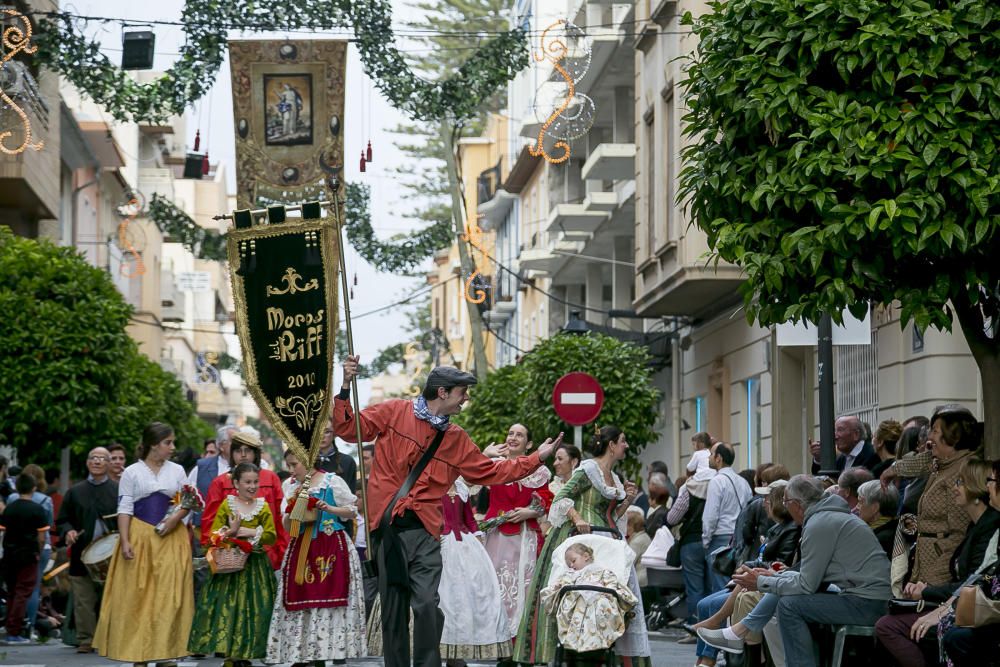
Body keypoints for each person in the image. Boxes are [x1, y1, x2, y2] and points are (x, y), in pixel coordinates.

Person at [332, 358, 562, 667]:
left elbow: (490, 471)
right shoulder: (394, 412)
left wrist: (536, 457)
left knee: (427, 604)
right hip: (387, 529)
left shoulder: (456, 438)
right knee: (393, 609)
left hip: (426, 533)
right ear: (442, 392)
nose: (466, 399)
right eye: (462, 393)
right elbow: (348, 429)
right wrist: (346, 386)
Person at [697, 475, 891, 667]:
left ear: (797, 504)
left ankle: (743, 633)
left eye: (785, 501)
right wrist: (774, 577)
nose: (785, 506)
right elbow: (811, 576)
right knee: (785, 584)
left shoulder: (820, 524)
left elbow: (807, 585)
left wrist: (761, 582)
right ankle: (740, 631)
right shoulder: (829, 517)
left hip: (868, 603)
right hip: (865, 597)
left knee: (789, 605)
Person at [514, 425, 650, 667]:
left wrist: (627, 499)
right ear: (611, 445)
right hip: (579, 538)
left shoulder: (614, 477)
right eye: (623, 441)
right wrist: (577, 518)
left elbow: (614, 515)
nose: (626, 446)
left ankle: (603, 645)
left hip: (605, 540)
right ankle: (566, 648)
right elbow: (562, 496)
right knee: (573, 590)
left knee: (609, 593)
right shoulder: (588, 469)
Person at [875, 458, 1000, 667]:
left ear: (976, 491)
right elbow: (976, 577)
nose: (955, 488)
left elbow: (978, 579)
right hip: (971, 605)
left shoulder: (990, 526)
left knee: (891, 626)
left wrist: (933, 599)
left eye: (960, 482)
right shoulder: (977, 526)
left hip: (982, 610)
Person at [93, 422, 201, 663]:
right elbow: (124, 508)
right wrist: (125, 540)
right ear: (154, 445)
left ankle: (167, 653)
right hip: (140, 535)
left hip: (172, 537)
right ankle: (138, 653)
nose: (172, 447)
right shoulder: (132, 471)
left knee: (169, 596)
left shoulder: (177, 470)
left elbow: (188, 502)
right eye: (168, 442)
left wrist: (174, 520)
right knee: (138, 597)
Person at [690, 481, 799, 667]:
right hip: (764, 580)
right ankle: (703, 658)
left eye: (767, 498)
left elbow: (783, 563)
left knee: (733, 600)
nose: (764, 503)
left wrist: (752, 566)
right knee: (704, 603)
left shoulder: (790, 529)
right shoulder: (776, 528)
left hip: (771, 582)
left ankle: (711, 654)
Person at [267, 460, 365, 665]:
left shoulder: (332, 481)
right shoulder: (290, 486)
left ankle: (324, 653)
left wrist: (328, 507)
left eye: (294, 464)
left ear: (307, 462)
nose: (291, 470)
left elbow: (351, 512)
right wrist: (293, 512)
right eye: (288, 464)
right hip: (301, 547)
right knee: (300, 596)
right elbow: (286, 526)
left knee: (330, 598)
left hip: (331, 545)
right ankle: (301, 654)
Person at [882, 404, 981, 588]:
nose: (929, 437)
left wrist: (930, 582)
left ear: (954, 435)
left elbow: (958, 536)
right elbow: (922, 461)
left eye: (935, 431)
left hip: (940, 575)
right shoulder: (943, 463)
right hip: (924, 566)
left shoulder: (963, 470)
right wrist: (893, 469)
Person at [189, 463, 277, 664]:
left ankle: (247, 652)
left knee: (253, 609)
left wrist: (250, 532)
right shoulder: (227, 505)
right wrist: (231, 531)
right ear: (236, 483)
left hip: (255, 566)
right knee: (230, 608)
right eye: (247, 482)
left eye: (256, 481)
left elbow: (271, 536)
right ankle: (230, 654)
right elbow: (214, 536)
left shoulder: (263, 506)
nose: (252, 486)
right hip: (230, 566)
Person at [482, 423, 554, 640]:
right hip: (495, 537)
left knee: (523, 589)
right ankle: (498, 644)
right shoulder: (492, 465)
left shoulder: (539, 471)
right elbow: (467, 480)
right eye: (511, 433)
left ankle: (520, 643)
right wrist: (484, 454)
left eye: (520, 435)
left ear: (529, 444)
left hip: (524, 537)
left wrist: (529, 512)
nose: (513, 437)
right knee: (494, 587)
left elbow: (546, 499)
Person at [55, 447, 118, 653]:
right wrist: (69, 531)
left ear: (109, 464)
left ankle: (109, 637)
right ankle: (86, 639)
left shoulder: (117, 490)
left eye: (102, 458)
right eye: (93, 458)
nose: (97, 461)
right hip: (82, 554)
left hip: (112, 555)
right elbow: (62, 520)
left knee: (110, 599)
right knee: (83, 600)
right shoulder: (75, 491)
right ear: (87, 463)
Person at [202, 430, 288, 570]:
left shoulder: (271, 478)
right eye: (237, 450)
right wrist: (212, 551)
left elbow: (280, 519)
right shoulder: (220, 482)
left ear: (255, 453)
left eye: (247, 450)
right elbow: (210, 522)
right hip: (230, 554)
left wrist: (281, 552)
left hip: (265, 553)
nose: (242, 455)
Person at [540, 542, 638, 654]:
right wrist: (558, 587)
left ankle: (598, 637)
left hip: (600, 599)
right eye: (569, 564)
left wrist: (604, 592)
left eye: (573, 561)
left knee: (603, 603)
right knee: (574, 600)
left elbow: (613, 586)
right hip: (577, 601)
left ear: (586, 556)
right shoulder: (570, 575)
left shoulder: (604, 572)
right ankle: (577, 638)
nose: (571, 566)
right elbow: (558, 586)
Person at [1, 472, 50, 645]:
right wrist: (38, 550)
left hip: (9, 555)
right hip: (28, 555)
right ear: (34, 488)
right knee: (24, 592)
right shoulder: (38, 510)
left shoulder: (10, 508)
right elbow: (42, 537)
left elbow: (3, 529)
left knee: (12, 591)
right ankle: (15, 630)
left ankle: (9, 627)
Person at [666, 465, 716, 627]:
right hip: (715, 542)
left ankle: (695, 625)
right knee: (712, 587)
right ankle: (711, 626)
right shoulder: (720, 487)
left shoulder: (689, 490)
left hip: (691, 543)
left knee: (695, 588)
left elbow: (672, 518)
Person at [702, 442, 753, 593]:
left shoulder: (717, 481)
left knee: (720, 587)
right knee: (733, 585)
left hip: (719, 538)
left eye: (711, 454)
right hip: (739, 537)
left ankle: (721, 616)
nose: (709, 458)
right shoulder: (743, 482)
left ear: (719, 458)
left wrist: (706, 539)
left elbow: (710, 515)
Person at [810, 415, 880, 474]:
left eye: (840, 430)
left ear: (856, 434)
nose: (835, 436)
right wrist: (818, 458)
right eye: (834, 430)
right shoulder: (842, 458)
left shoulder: (873, 455)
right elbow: (825, 478)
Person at [855, 479, 899, 557]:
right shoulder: (895, 529)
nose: (856, 507)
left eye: (860, 502)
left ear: (874, 508)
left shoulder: (880, 541)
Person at [317, 422, 358, 493]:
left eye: (326, 432)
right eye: (317, 432)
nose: (321, 436)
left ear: (334, 434)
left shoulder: (347, 461)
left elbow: (351, 495)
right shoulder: (305, 461)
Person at [626, 507, 651, 588]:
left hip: (639, 581)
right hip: (647, 578)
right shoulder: (644, 536)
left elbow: (627, 563)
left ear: (631, 526)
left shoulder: (637, 541)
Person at [644, 472, 672, 538]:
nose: (649, 486)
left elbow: (653, 530)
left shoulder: (661, 512)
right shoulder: (655, 509)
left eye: (651, 484)